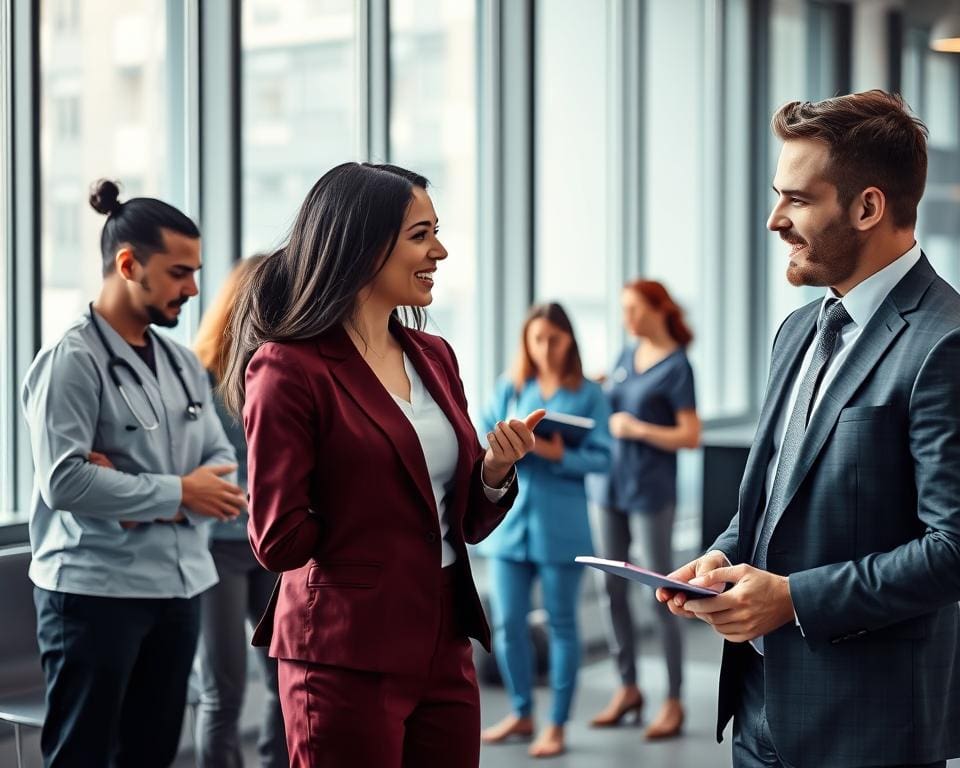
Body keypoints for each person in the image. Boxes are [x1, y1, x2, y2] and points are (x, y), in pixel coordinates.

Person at [658, 90, 960, 768]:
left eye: (797, 200)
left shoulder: (946, 343)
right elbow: (773, 499)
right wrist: (721, 558)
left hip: (870, 730)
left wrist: (794, 600)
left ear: (867, 207)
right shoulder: (797, 330)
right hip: (759, 711)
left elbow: (954, 548)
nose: (775, 220)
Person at [220, 162, 544, 768]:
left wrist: (495, 473)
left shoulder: (435, 355)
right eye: (421, 235)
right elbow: (278, 540)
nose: (439, 251)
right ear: (363, 245)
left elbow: (463, 521)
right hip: (344, 646)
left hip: (444, 636)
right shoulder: (288, 368)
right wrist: (369, 506)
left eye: (436, 233)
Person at [20, 179, 245, 767]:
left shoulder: (181, 363)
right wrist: (179, 491)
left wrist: (130, 492)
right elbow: (66, 482)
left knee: (151, 755)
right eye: (178, 273)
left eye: (195, 273)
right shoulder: (71, 362)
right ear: (128, 265)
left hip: (178, 588)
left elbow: (222, 467)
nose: (192, 289)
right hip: (94, 592)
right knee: (83, 756)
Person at [478, 302, 611, 758]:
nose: (545, 348)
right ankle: (521, 712)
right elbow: (481, 439)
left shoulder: (590, 394)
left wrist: (559, 455)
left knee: (562, 625)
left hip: (562, 529)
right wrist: (505, 450)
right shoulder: (510, 387)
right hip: (510, 528)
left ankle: (556, 723)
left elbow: (605, 459)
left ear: (569, 340)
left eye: (554, 339)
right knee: (507, 625)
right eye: (537, 339)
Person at [589, 280, 700, 740]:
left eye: (634, 309)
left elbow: (690, 435)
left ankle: (673, 699)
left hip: (650, 491)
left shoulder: (677, 367)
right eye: (623, 310)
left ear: (659, 309)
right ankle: (628, 688)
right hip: (607, 487)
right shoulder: (624, 355)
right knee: (609, 588)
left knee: (661, 593)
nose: (627, 318)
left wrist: (638, 429)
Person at [192, 255, 288, 768]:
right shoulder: (200, 378)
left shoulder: (283, 372)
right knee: (223, 690)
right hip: (218, 549)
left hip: (272, 546)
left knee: (285, 680)